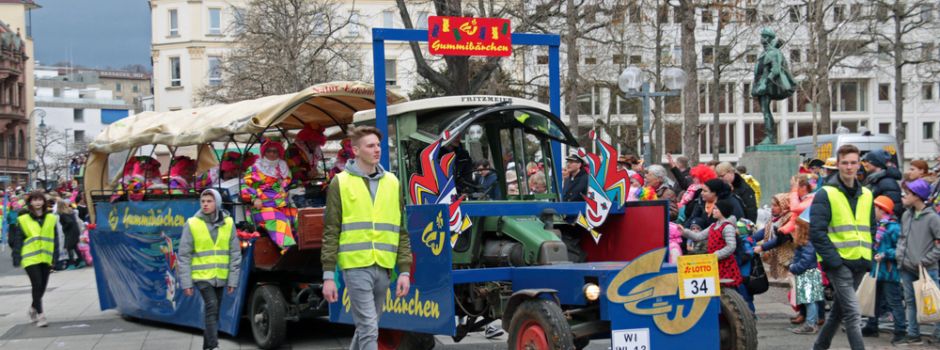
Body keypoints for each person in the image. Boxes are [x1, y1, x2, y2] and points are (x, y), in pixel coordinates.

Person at [321, 126, 412, 350]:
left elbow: (401, 230)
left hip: (384, 266)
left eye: (378, 145)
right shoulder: (340, 183)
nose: (377, 150)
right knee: (370, 328)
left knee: (367, 327)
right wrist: (329, 276)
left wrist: (405, 271)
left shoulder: (393, 182)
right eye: (370, 146)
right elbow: (331, 231)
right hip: (355, 266)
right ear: (356, 150)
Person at [809, 144, 874, 350]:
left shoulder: (867, 194)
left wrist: (869, 256)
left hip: (860, 261)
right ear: (838, 165)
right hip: (839, 263)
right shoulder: (825, 193)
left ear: (859, 165)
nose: (849, 167)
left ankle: (819, 347)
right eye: (845, 163)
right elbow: (817, 232)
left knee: (839, 311)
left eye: (853, 163)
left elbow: (871, 227)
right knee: (853, 314)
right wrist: (834, 261)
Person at [178, 189, 242, 350]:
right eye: (203, 201)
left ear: (218, 203)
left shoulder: (228, 223)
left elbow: (235, 254)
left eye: (209, 201)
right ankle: (214, 345)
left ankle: (207, 346)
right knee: (212, 305)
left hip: (220, 276)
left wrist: (232, 281)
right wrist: (186, 284)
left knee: (214, 311)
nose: (205, 204)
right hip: (201, 277)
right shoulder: (192, 223)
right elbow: (184, 256)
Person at [895, 178, 940, 345]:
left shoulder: (933, 218)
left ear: (917, 196)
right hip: (906, 267)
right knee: (910, 301)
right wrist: (900, 256)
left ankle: (938, 334)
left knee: (935, 302)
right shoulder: (906, 215)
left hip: (927, 268)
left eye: (907, 194)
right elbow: (902, 238)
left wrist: (926, 260)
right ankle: (913, 334)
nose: (903, 197)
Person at [860, 195, 907, 344]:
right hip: (878, 269)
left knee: (894, 301)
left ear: (882, 210)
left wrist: (885, 255)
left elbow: (900, 249)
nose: (872, 210)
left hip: (889, 270)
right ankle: (872, 325)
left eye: (875, 207)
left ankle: (900, 329)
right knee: (875, 299)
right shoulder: (880, 225)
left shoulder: (893, 227)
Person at [11, 191, 59, 327]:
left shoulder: (51, 218)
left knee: (42, 286)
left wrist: (55, 257)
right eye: (34, 200)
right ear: (30, 202)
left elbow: (55, 239)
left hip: (45, 257)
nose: (37, 202)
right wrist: (16, 256)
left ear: (44, 202)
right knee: (37, 284)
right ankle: (41, 315)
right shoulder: (23, 219)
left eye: (40, 200)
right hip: (30, 257)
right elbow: (18, 239)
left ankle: (33, 308)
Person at [241, 140, 297, 250]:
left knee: (297, 216)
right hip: (261, 208)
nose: (272, 154)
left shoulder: (283, 167)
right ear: (264, 153)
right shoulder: (255, 168)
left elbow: (289, 184)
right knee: (279, 219)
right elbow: (244, 186)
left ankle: (305, 248)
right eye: (269, 151)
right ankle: (288, 250)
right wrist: (254, 198)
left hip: (281, 205)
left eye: (275, 152)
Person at [681, 198, 742, 287]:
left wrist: (715, 255)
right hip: (713, 263)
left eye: (716, 208)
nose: (713, 210)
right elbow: (699, 236)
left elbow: (731, 247)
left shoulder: (728, 227)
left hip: (725, 265)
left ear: (722, 211)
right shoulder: (713, 225)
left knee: (727, 290)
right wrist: (684, 231)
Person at [789, 208, 825, 335]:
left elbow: (805, 260)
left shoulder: (807, 242)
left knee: (809, 301)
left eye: (798, 226)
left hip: (807, 273)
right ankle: (812, 323)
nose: (795, 228)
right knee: (810, 300)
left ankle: (810, 324)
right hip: (810, 272)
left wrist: (794, 267)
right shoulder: (809, 241)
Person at [861, 149, 903, 217]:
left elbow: (894, 208)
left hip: (883, 225)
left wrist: (884, 224)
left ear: (876, 163)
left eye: (868, 161)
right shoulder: (875, 179)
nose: (865, 164)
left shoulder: (887, 182)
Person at [56, 199, 83, 269]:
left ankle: (72, 264)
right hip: (75, 230)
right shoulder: (70, 211)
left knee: (69, 247)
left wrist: (64, 228)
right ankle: (81, 261)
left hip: (70, 232)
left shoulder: (62, 214)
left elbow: (69, 222)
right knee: (75, 246)